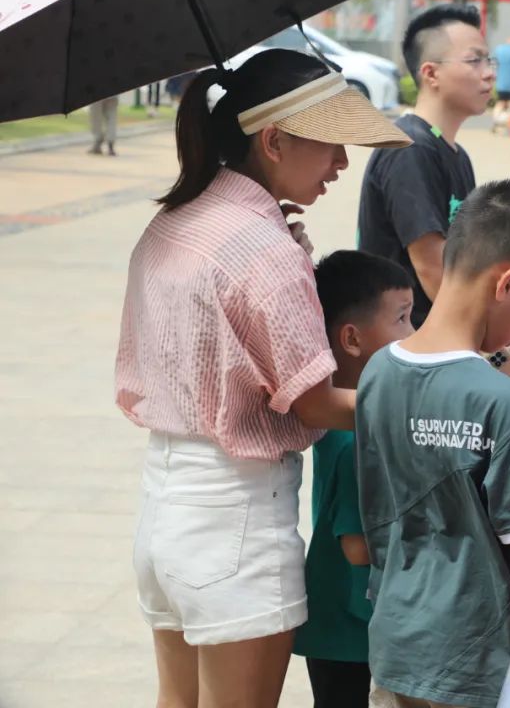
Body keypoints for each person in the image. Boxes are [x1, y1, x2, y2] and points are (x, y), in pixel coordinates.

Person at [115, 50, 411, 708]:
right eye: (332, 144)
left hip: (165, 508)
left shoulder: (174, 220)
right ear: (274, 141)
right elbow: (314, 402)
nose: (341, 164)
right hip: (236, 523)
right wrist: (426, 396)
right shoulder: (264, 247)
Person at [355, 179, 510, 708]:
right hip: (478, 659)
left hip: (397, 644)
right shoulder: (504, 401)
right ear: (509, 283)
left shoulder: (377, 373)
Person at [293, 251, 416, 708]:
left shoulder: (342, 418)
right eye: (402, 319)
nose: (414, 334)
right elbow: (358, 547)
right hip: (352, 623)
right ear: (351, 338)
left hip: (337, 616)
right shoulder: (358, 435)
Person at [358, 4, 493, 328]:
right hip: (407, 349)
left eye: (489, 60)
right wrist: (493, 351)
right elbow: (435, 271)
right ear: (430, 73)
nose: (488, 72)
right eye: (475, 60)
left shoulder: (455, 153)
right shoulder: (410, 147)